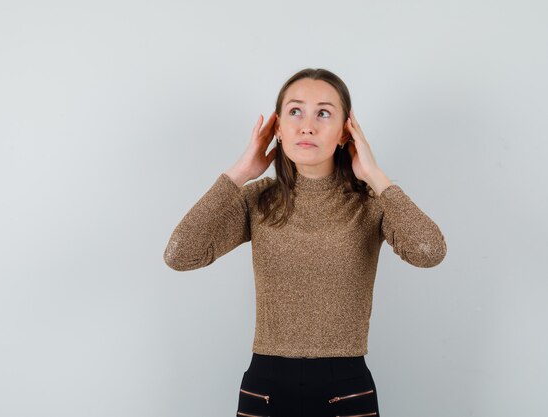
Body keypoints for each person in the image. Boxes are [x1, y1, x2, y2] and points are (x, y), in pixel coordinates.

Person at [163, 67, 447, 417]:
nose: (307, 125)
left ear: (347, 131)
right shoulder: (258, 199)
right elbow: (180, 254)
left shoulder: (371, 203)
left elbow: (429, 251)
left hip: (345, 388)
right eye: (295, 111)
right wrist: (238, 173)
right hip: (265, 387)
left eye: (323, 113)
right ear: (278, 128)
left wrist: (375, 175)